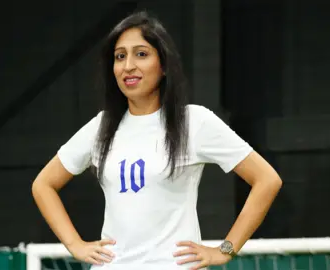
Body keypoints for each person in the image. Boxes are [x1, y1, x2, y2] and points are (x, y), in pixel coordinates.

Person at [32, 11, 282, 270]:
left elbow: (267, 179)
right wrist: (75, 244)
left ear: (163, 65)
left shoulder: (194, 121)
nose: (128, 65)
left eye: (141, 54)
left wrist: (225, 250)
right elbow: (44, 185)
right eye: (120, 56)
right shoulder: (102, 126)